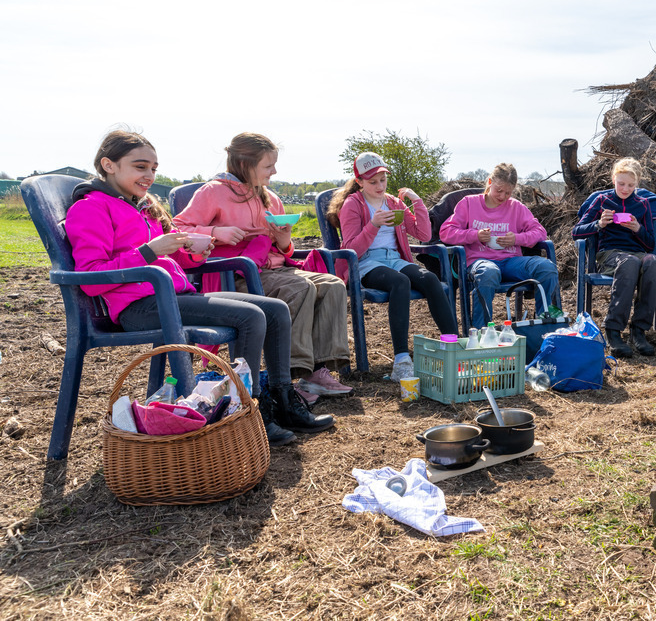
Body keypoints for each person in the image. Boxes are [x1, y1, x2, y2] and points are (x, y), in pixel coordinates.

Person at [66, 130, 333, 446]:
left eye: (153, 167)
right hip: (139, 307)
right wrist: (151, 251)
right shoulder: (91, 207)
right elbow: (90, 277)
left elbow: (177, 260)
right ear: (108, 165)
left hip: (173, 296)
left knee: (274, 310)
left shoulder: (143, 207)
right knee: (251, 316)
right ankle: (247, 411)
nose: (149, 175)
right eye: (140, 167)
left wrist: (195, 252)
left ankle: (283, 401)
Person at [173, 133, 353, 402]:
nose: (274, 171)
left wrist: (283, 239)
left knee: (331, 284)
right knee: (299, 287)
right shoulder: (213, 192)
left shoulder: (270, 197)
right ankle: (289, 377)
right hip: (236, 276)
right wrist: (215, 231)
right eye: (268, 166)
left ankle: (316, 373)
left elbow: (284, 250)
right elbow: (177, 229)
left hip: (273, 269)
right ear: (245, 164)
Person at [325, 152, 459, 382]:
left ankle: (454, 347)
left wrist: (417, 202)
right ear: (359, 182)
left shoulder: (394, 203)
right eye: (372, 182)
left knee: (430, 279)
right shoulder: (352, 205)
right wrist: (373, 225)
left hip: (395, 259)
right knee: (400, 281)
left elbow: (424, 234)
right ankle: (401, 361)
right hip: (365, 262)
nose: (379, 186)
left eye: (383, 180)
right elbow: (351, 250)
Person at [439, 163, 559, 329]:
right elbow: (446, 232)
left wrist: (516, 239)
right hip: (479, 261)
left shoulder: (516, 207)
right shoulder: (468, 204)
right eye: (499, 190)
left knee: (547, 268)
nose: (503, 196)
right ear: (489, 182)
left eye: (508, 192)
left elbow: (540, 232)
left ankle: (544, 324)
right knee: (488, 273)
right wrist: (475, 235)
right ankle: (481, 331)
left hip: (511, 262)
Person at [572, 158, 656, 358]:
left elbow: (651, 245)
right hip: (610, 254)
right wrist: (599, 224)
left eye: (631, 185)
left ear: (637, 184)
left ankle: (638, 330)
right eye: (621, 183)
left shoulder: (643, 204)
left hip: (637, 252)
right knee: (629, 262)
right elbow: (576, 232)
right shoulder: (602, 201)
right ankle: (613, 330)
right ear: (613, 179)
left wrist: (638, 229)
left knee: (655, 263)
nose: (625, 189)